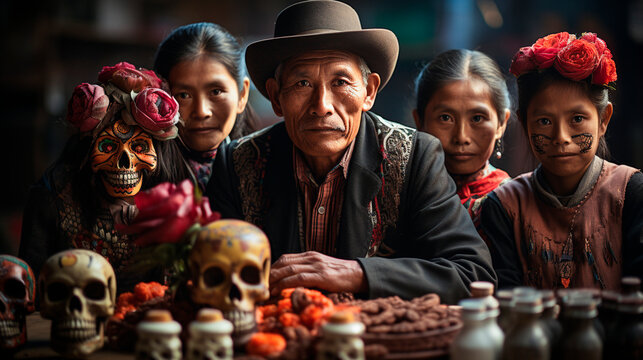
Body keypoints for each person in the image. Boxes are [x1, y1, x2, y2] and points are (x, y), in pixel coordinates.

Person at [208, 0, 496, 303]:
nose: (322, 106)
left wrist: (357, 273)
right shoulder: (238, 164)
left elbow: (472, 273)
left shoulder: (414, 158)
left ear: (369, 91)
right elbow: (215, 275)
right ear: (276, 98)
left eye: (341, 82)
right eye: (302, 83)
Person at [480, 32, 643, 290]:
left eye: (577, 118)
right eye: (544, 121)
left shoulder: (631, 193)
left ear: (603, 120)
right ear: (524, 123)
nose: (561, 137)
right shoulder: (505, 207)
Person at [19, 62, 192, 291]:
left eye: (139, 148)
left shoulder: (174, 199)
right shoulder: (52, 200)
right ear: (88, 149)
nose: (124, 162)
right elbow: (31, 291)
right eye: (108, 147)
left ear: (159, 153)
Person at [154, 22, 258, 191]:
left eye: (216, 92)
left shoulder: (266, 170)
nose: (201, 111)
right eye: (184, 95)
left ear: (242, 95)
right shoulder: (136, 173)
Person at [413, 49, 511, 225]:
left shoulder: (515, 202)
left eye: (477, 118)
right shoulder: (400, 194)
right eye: (445, 118)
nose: (461, 137)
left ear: (501, 124)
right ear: (419, 121)